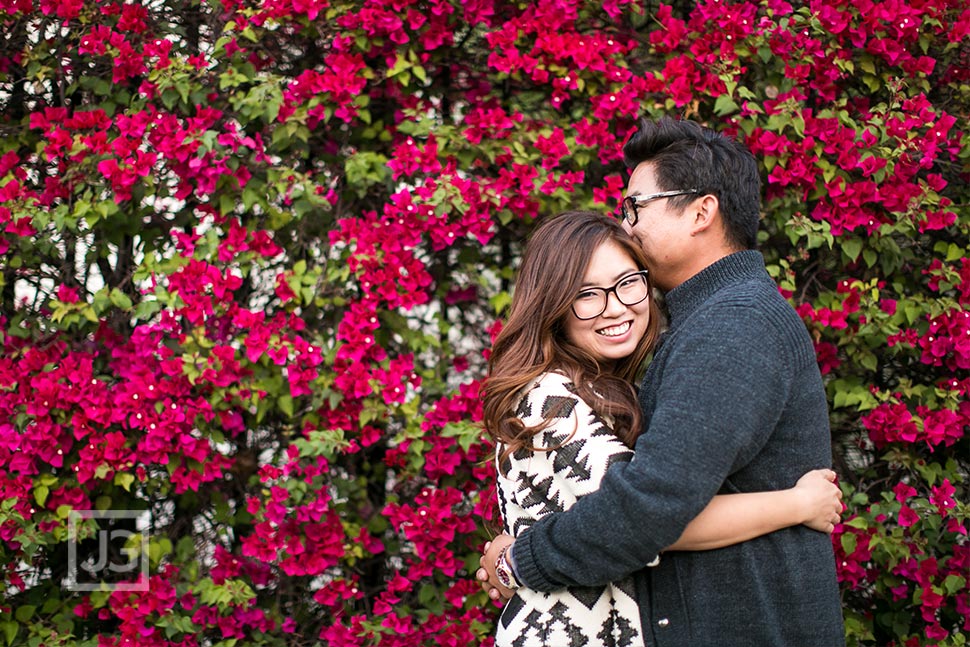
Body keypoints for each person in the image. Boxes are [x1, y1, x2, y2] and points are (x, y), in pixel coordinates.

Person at [478, 118, 846, 647]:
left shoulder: (731, 326)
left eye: (636, 207)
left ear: (701, 212)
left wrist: (521, 559)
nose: (626, 224)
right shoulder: (709, 322)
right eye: (588, 293)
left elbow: (651, 504)